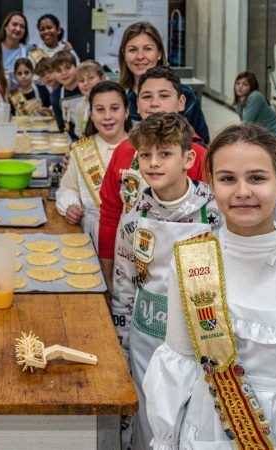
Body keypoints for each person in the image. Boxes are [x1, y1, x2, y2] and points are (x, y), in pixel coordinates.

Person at [143, 123, 276, 449]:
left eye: (257, 178)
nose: (242, 191)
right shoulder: (191, 260)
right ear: (210, 184)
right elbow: (179, 362)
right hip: (212, 426)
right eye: (227, 178)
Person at [111, 113, 222, 450]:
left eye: (165, 154)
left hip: (200, 339)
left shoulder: (215, 213)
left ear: (188, 158)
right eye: (145, 155)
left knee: (195, 423)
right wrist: (123, 344)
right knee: (150, 422)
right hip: (148, 336)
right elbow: (125, 284)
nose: (153, 163)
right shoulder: (134, 217)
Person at [98, 67, 207, 295]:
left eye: (164, 96)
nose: (155, 103)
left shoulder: (197, 156)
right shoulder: (124, 151)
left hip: (183, 275)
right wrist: (106, 273)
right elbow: (110, 214)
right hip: (128, 269)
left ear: (181, 102)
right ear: (137, 105)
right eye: (147, 96)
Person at [56, 81, 130, 250]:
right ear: (91, 115)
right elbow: (67, 189)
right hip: (91, 233)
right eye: (100, 110)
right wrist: (70, 206)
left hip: (131, 234)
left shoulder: (142, 149)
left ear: (126, 112)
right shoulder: (80, 150)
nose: (107, 116)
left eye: (114, 108)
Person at [118, 21, 210, 144]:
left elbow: (203, 143)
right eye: (133, 50)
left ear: (159, 53)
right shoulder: (119, 97)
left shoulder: (185, 94)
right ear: (124, 55)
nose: (140, 56)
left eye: (147, 49)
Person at [233, 71, 276, 139]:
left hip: (272, 134)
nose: (240, 87)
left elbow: (246, 122)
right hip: (258, 133)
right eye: (237, 83)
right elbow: (244, 124)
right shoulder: (240, 99)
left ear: (251, 87)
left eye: (245, 85)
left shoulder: (255, 96)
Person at [50, 50, 83, 139]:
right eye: (58, 70)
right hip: (74, 139)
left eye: (68, 68)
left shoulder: (86, 88)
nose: (64, 73)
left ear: (76, 67)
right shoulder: (55, 96)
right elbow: (62, 126)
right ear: (54, 74)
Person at [73, 60, 106, 138]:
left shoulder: (112, 103)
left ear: (102, 79)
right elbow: (79, 133)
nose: (86, 83)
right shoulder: (80, 106)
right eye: (81, 80)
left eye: (91, 78)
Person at [0, 12, 30, 86]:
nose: (18, 29)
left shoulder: (29, 50)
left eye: (22, 26)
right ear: (5, 27)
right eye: (14, 24)